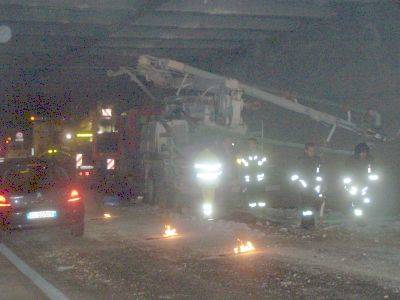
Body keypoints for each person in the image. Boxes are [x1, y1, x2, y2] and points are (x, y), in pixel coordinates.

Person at [295, 142, 325, 225]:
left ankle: (311, 222)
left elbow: (320, 172)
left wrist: (319, 184)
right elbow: (298, 173)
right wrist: (302, 184)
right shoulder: (301, 160)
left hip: (314, 186)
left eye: (313, 150)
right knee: (306, 206)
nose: (312, 152)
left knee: (313, 205)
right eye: (310, 150)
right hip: (305, 186)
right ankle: (305, 223)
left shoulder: (317, 160)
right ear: (306, 151)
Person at [238, 138, 268, 208]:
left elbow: (265, 165)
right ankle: (252, 209)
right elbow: (242, 166)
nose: (251, 145)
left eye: (253, 143)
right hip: (249, 178)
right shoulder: (245, 154)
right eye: (250, 144)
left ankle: (261, 208)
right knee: (251, 193)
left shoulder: (261, 154)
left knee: (260, 193)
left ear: (256, 144)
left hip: (259, 178)